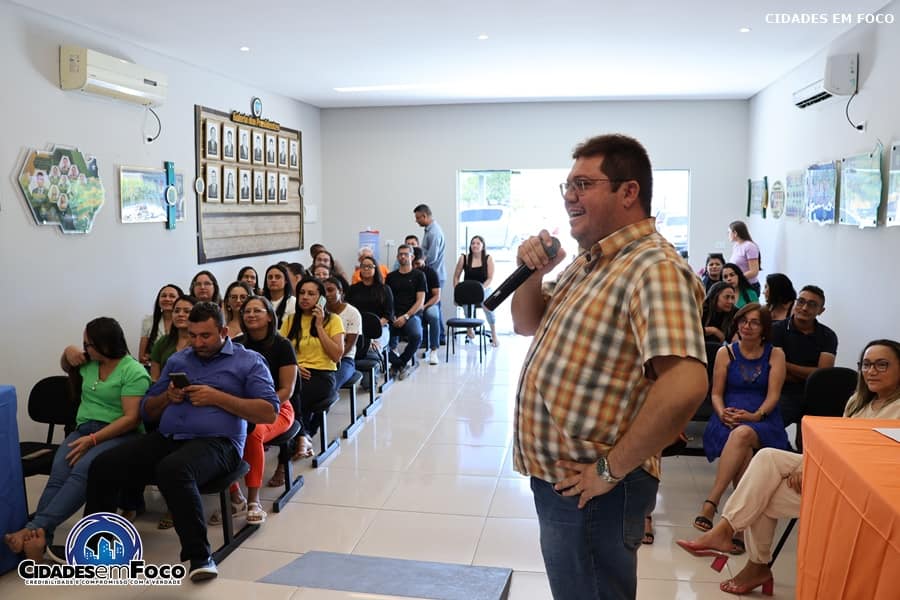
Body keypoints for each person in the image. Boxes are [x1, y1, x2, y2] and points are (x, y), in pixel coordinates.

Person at [511, 134, 708, 600]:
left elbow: (685, 383)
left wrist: (608, 470)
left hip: (595, 491)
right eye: (567, 186)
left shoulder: (653, 267)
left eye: (583, 184)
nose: (569, 197)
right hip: (565, 482)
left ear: (628, 192)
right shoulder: (595, 261)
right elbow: (526, 323)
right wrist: (532, 274)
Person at [677, 339, 900, 596]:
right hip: (836, 472)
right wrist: (807, 467)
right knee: (766, 461)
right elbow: (837, 448)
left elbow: (877, 461)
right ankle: (731, 536)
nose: (871, 371)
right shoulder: (858, 402)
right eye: (866, 365)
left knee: (761, 495)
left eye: (882, 365)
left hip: (863, 491)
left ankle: (751, 559)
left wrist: (812, 470)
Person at [85, 302, 279, 583]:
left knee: (174, 469)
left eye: (205, 336)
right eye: (192, 335)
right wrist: (167, 398)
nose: (197, 343)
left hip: (219, 444)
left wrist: (218, 398)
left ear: (223, 332)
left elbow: (269, 411)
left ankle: (200, 557)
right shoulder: (179, 360)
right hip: (170, 437)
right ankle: (95, 548)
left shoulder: (248, 361)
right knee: (104, 464)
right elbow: (147, 410)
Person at [4, 318, 149, 561]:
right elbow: (67, 363)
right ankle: (41, 539)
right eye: (84, 344)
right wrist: (67, 352)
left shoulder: (133, 371)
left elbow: (131, 418)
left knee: (83, 471)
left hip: (118, 434)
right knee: (58, 477)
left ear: (106, 344)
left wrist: (93, 440)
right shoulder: (90, 363)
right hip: (83, 430)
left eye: (89, 344)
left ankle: (33, 528)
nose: (85, 349)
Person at [694, 304, 789, 545]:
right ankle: (737, 527)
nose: (747, 326)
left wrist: (756, 415)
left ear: (764, 328)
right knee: (742, 446)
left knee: (743, 434)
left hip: (763, 418)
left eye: (754, 322)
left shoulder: (775, 354)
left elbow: (774, 396)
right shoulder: (725, 353)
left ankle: (712, 502)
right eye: (743, 321)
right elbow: (716, 394)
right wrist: (722, 413)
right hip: (728, 416)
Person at [210, 296, 297, 526]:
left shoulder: (282, 345)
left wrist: (259, 407)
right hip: (240, 406)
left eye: (257, 310)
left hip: (277, 408)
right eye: (247, 311)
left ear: (269, 316)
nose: (250, 315)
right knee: (218, 430)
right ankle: (235, 497)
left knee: (253, 433)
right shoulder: (236, 344)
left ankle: (253, 500)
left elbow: (287, 390)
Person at [280, 278, 344, 459]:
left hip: (322, 375)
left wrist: (319, 326)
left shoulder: (333, 320)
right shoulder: (290, 320)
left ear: (321, 298)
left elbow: (336, 355)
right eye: (301, 293)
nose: (305, 297)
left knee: (295, 395)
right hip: (296, 372)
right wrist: (295, 366)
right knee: (288, 392)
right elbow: (281, 351)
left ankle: (297, 441)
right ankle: (303, 437)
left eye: (311, 294)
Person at [770, 285, 837, 449]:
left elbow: (822, 375)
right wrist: (808, 373)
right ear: (795, 303)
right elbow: (773, 370)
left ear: (821, 311)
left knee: (812, 443)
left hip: (815, 394)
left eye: (812, 304)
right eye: (801, 301)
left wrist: (784, 364)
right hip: (783, 391)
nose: (805, 308)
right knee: (769, 429)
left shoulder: (828, 335)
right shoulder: (776, 329)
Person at [385, 244, 426, 379]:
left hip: (411, 315)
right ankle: (399, 363)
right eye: (400, 254)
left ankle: (399, 363)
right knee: (379, 338)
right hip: (393, 316)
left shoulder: (419, 275)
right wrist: (392, 316)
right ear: (397, 257)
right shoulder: (390, 277)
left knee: (417, 335)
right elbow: (387, 299)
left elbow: (420, 301)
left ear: (412, 257)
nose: (403, 256)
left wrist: (406, 316)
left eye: (406, 254)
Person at [452, 235, 498, 346]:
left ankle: (494, 334)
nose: (475, 245)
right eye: (473, 243)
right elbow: (456, 276)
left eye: (478, 243)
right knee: (467, 303)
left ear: (483, 246)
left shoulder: (488, 258)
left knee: (488, 305)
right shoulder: (464, 258)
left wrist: (481, 289)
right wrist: (457, 291)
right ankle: (469, 328)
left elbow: (490, 278)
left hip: (484, 288)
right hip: (468, 290)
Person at [347, 255, 394, 352]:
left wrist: (373, 328)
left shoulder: (384, 289)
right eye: (363, 266)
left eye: (369, 266)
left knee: (372, 349)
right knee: (352, 347)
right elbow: (348, 309)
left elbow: (388, 314)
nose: (366, 269)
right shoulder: (353, 289)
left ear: (375, 269)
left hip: (380, 327)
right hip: (357, 327)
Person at [414, 204, 446, 342]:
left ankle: (438, 338)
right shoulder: (430, 230)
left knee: (434, 308)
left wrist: (420, 262)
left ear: (425, 216)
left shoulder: (434, 232)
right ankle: (437, 337)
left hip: (434, 274)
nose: (416, 221)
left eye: (418, 218)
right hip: (434, 273)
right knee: (434, 308)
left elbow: (431, 256)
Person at [150, 295, 198, 382]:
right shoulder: (163, 341)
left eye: (187, 311)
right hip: (163, 388)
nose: (180, 314)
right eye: (176, 311)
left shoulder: (201, 343)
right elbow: (154, 378)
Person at [324, 277, 361, 388]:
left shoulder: (352, 313)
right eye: (323, 291)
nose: (326, 294)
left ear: (340, 291)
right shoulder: (319, 311)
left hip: (344, 359)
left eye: (330, 290)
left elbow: (349, 345)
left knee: (331, 385)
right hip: (321, 357)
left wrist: (334, 359)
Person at [139, 284, 183, 366]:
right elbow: (142, 357)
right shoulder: (148, 321)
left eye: (172, 296)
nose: (167, 299)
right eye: (163, 296)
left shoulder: (185, 321)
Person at [413, 247, 441, 365]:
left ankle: (434, 350)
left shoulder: (431, 272)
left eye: (417, 263)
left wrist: (423, 306)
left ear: (424, 259)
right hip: (412, 305)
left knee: (434, 316)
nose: (415, 266)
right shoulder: (408, 272)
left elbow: (437, 296)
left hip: (428, 304)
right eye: (413, 264)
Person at [728, 221, 761, 294]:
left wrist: (736, 278)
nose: (728, 235)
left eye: (729, 232)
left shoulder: (749, 246)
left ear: (735, 233)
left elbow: (754, 271)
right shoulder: (736, 246)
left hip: (749, 286)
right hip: (739, 285)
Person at [262, 263, 296, 329]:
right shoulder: (261, 302)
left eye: (277, 277)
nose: (273, 280)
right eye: (270, 277)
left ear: (286, 280)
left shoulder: (293, 302)